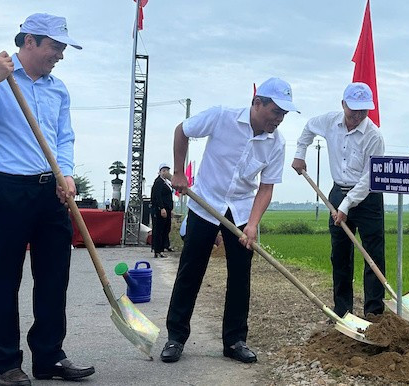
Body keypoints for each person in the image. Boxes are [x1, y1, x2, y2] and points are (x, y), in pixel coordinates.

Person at [0, 13, 95, 386]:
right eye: (55, 46)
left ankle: (49, 357)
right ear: (28, 42)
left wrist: (65, 173)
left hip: (51, 190)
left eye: (63, 48)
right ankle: (4, 364)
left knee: (54, 276)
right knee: (5, 277)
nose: (60, 55)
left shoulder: (58, 89)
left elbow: (64, 137)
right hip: (8, 188)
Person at [160, 77, 298, 365]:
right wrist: (178, 172)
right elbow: (182, 131)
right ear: (257, 103)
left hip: (242, 211)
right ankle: (175, 337)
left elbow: (266, 186)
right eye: (276, 112)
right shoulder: (222, 117)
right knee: (190, 271)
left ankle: (234, 340)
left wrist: (252, 224)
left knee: (240, 277)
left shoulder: (277, 142)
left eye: (284, 115)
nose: (279, 120)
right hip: (206, 204)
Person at [291, 82, 386, 318]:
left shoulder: (373, 135)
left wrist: (345, 206)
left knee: (373, 253)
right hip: (337, 191)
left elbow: (368, 177)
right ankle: (343, 311)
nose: (357, 115)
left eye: (363, 111)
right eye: (353, 109)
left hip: (367, 197)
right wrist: (299, 155)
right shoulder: (329, 121)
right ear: (343, 104)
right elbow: (308, 128)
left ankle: (374, 313)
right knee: (340, 254)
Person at [150, 163, 173, 258]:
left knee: (165, 229)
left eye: (167, 170)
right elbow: (157, 196)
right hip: (160, 209)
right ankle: (158, 250)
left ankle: (164, 246)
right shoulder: (158, 182)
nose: (165, 172)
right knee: (159, 229)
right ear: (160, 172)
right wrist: (161, 208)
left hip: (167, 208)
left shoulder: (166, 182)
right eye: (163, 171)